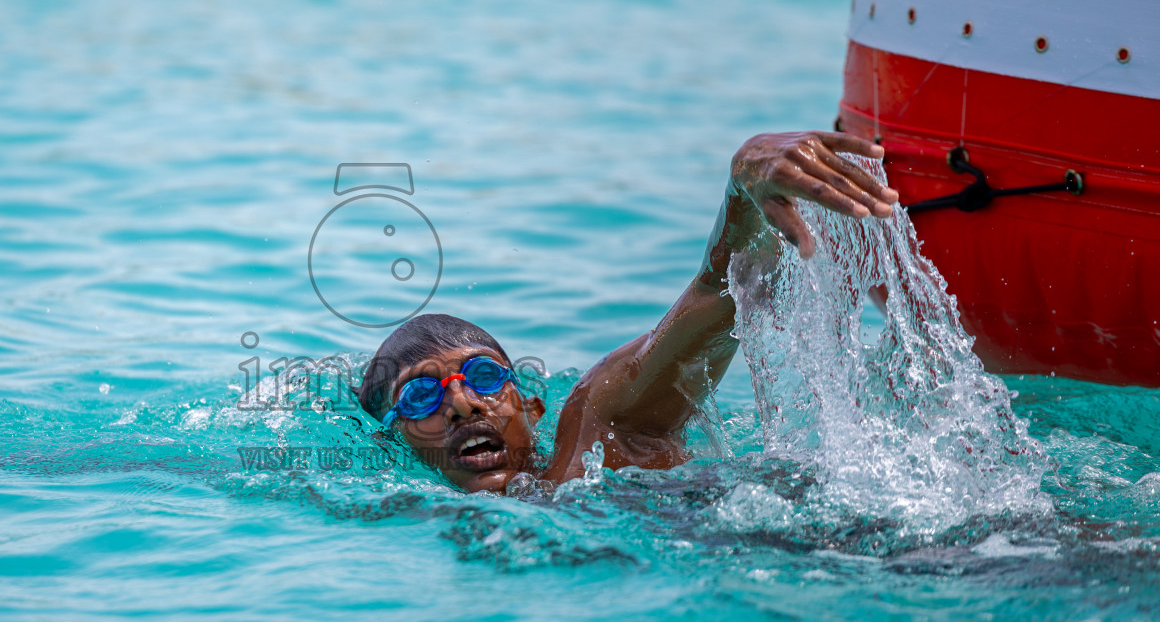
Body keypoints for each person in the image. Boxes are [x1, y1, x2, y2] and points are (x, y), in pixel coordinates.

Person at [355, 131, 900, 493]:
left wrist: (743, 184)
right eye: (420, 394)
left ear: (532, 408)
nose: (461, 403)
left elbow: (724, 288)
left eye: (482, 375)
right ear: (393, 444)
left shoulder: (597, 432)